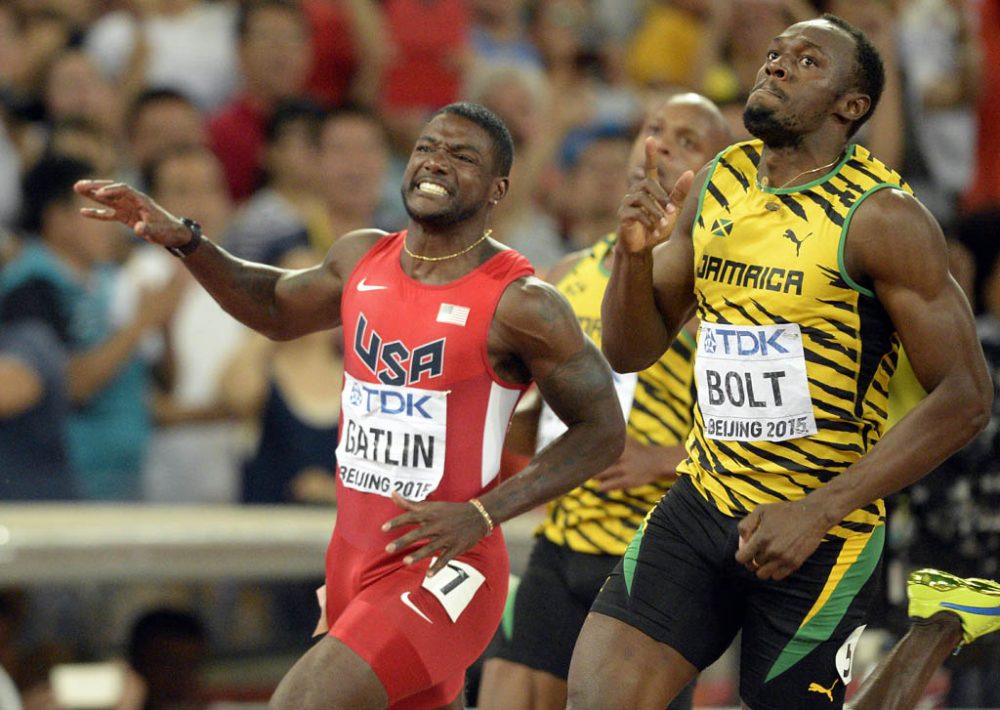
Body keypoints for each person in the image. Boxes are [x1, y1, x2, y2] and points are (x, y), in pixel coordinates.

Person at [75, 101, 626, 710]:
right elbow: (275, 306)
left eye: (462, 156)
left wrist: (483, 512)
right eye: (426, 147)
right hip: (353, 564)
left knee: (301, 703)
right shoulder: (362, 258)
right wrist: (187, 240)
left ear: (498, 190)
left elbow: (602, 430)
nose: (436, 163)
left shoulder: (523, 303)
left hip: (445, 567)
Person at [568, 14, 992, 710]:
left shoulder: (883, 217)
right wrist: (633, 257)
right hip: (701, 503)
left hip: (822, 528)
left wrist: (818, 511)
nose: (777, 66)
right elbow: (629, 349)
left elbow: (967, 396)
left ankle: (937, 628)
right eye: (774, 54)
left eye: (806, 61)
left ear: (850, 106)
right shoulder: (719, 180)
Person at [478, 92, 732, 710]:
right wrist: (532, 431)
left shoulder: (721, 286)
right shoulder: (564, 277)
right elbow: (526, 417)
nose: (665, 143)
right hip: (562, 540)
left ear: (719, 174)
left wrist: (664, 458)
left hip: (656, 552)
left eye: (689, 140)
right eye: (655, 128)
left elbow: (766, 437)